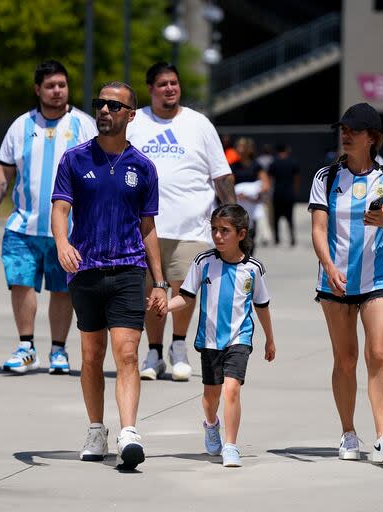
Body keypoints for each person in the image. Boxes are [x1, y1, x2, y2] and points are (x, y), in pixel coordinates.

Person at [51, 81, 168, 470]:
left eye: (114, 106)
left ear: (130, 115)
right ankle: (96, 428)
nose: (104, 111)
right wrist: (62, 244)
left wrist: (160, 281)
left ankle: (129, 431)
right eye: (100, 104)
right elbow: (60, 209)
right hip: (85, 270)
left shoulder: (143, 167)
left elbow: (148, 227)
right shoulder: (74, 159)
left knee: (128, 352)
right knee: (90, 355)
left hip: (129, 269)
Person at [308, 103, 383, 464]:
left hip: (377, 278)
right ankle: (348, 432)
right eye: (343, 129)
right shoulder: (326, 177)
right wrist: (328, 265)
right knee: (346, 358)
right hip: (334, 281)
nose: (345, 134)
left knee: (378, 354)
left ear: (372, 138)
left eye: (353, 129)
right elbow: (318, 229)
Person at [0, 60, 97, 375]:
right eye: (50, 86)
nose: (57, 91)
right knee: (21, 282)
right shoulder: (21, 126)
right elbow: (3, 172)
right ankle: (26, 347)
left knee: (62, 289)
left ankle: (59, 351)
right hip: (23, 225)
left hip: (70, 230)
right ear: (37, 89)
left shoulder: (85, 125)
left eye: (62, 85)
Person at [127, 62, 236, 382]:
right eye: (162, 84)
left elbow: (222, 175)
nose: (170, 88)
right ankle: (155, 352)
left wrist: (235, 222)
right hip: (145, 226)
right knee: (150, 290)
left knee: (185, 290)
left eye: (174, 83)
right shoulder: (136, 123)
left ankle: (178, 348)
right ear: (150, 89)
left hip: (193, 226)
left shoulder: (199, 124)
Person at [167, 204, 275, 467]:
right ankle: (211, 423)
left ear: (241, 234)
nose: (217, 236)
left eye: (224, 231)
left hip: (240, 338)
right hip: (210, 340)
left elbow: (262, 306)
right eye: (214, 230)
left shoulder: (253, 268)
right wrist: (163, 306)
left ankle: (230, 445)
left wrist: (270, 339)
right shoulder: (204, 262)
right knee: (210, 397)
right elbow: (186, 296)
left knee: (231, 390)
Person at [231, 137, 270, 251]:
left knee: (251, 235)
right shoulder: (233, 166)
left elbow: (266, 184)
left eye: (242, 146)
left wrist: (253, 193)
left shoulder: (256, 165)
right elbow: (229, 184)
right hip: (239, 205)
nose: (239, 149)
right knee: (238, 234)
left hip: (253, 206)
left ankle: (249, 260)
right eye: (238, 146)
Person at [267, 144, 300, 246]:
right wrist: (295, 190)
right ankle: (292, 238)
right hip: (289, 193)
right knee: (290, 218)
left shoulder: (274, 163)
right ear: (286, 150)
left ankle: (277, 239)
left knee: (276, 218)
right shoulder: (293, 162)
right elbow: (297, 178)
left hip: (277, 193)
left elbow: (269, 179)